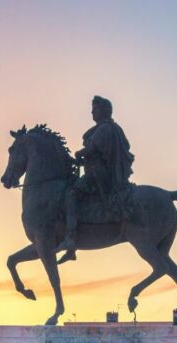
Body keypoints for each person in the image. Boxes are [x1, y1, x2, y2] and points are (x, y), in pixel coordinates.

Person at [58, 95, 135, 263]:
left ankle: (70, 238)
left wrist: (80, 154)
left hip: (98, 175)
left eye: (95, 109)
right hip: (98, 171)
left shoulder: (105, 128)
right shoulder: (108, 128)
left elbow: (93, 148)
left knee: (71, 194)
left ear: (104, 111)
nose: (92, 112)